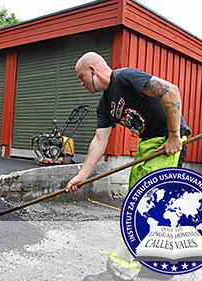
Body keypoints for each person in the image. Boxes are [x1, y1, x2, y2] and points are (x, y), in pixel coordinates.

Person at [66, 52, 191, 281]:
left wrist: (174, 138)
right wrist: (82, 176)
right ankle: (158, 271)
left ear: (92, 70)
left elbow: (170, 91)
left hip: (166, 143)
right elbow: (99, 140)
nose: (80, 83)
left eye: (81, 77)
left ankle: (120, 274)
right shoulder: (104, 104)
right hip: (148, 145)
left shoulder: (125, 77)